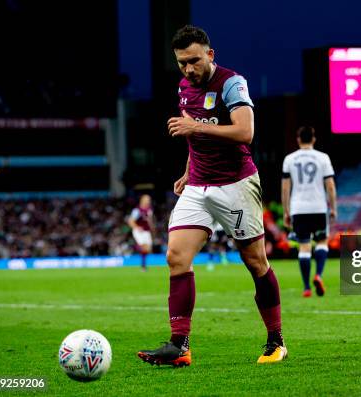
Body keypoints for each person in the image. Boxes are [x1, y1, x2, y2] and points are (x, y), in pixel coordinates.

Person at [137, 25, 286, 366]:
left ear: (210, 54)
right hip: (198, 186)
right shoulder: (184, 87)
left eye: (193, 61)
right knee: (176, 257)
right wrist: (189, 170)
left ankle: (276, 341)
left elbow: (245, 132)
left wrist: (196, 128)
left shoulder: (232, 83)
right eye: (181, 63)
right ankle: (179, 346)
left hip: (235, 185)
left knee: (255, 262)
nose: (188, 69)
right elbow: (195, 135)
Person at [281, 126, 337, 297]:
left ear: (298, 139)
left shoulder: (289, 159)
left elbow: (285, 187)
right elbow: (330, 186)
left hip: (299, 208)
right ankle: (318, 275)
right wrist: (333, 208)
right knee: (322, 242)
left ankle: (306, 287)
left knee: (304, 247)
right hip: (319, 207)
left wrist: (286, 211)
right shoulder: (323, 158)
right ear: (313, 139)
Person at [128, 194, 155, 271]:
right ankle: (132, 247)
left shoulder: (149, 210)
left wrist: (152, 227)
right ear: (142, 200)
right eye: (147, 199)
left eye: (149, 200)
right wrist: (137, 227)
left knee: (148, 249)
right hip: (139, 231)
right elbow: (130, 221)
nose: (149, 201)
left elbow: (149, 220)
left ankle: (143, 266)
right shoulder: (137, 210)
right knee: (143, 247)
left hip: (146, 231)